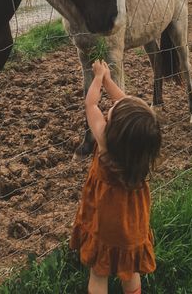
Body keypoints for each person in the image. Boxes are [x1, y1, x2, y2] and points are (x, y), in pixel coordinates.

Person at [70, 60, 162, 294]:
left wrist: (99, 78)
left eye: (112, 111)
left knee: (99, 272)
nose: (113, 105)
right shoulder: (139, 155)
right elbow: (128, 105)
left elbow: (90, 104)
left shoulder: (105, 143)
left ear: (114, 126)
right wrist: (111, 81)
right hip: (132, 226)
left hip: (105, 224)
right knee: (130, 271)